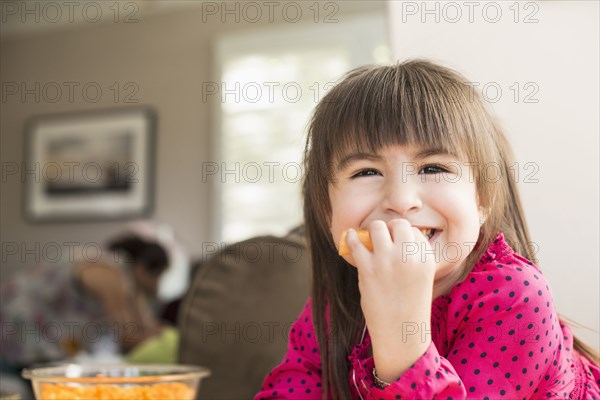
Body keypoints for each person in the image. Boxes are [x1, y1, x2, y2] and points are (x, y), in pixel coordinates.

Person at [254, 60, 600, 399]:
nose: (401, 201)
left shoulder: (514, 295)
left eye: (433, 168)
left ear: (482, 202)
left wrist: (400, 339)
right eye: (366, 172)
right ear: (327, 209)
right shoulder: (334, 307)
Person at [0, 234, 169, 369]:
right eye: (159, 276)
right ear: (142, 269)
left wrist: (157, 333)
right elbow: (125, 335)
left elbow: (142, 323)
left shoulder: (123, 279)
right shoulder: (110, 274)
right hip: (19, 320)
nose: (158, 285)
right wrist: (167, 339)